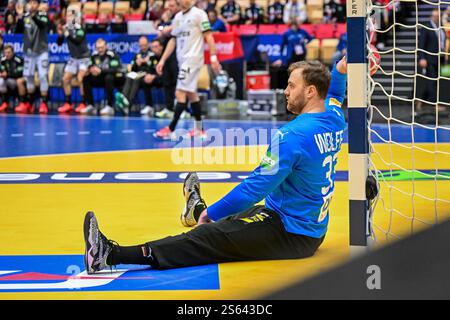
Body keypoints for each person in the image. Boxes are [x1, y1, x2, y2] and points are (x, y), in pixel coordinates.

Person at [82, 57, 348, 273]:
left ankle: (110, 255)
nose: (285, 91)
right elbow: (335, 90)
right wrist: (340, 68)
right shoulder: (334, 116)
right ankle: (195, 210)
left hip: (290, 233)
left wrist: (214, 213)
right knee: (226, 223)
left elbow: (255, 188)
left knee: (207, 237)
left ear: (311, 91)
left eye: (291, 86)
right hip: (303, 224)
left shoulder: (293, 135)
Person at [154, 0, 221, 139]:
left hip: (193, 59)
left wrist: (214, 58)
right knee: (192, 94)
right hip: (182, 60)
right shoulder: (178, 17)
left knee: (180, 93)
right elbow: (173, 40)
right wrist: (162, 60)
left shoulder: (199, 14)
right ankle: (199, 129)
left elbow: (208, 36)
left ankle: (171, 129)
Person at [115, 36, 162, 116]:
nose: (143, 47)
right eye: (141, 45)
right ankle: (124, 99)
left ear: (148, 44)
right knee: (129, 77)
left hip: (148, 75)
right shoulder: (138, 55)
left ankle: (127, 104)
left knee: (137, 79)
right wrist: (136, 64)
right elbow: (131, 68)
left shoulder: (153, 54)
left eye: (144, 45)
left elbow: (156, 68)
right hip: (137, 75)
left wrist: (147, 63)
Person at [16, 0, 49, 114]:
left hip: (41, 52)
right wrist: (20, 17)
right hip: (29, 52)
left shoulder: (43, 15)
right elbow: (18, 31)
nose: (32, 5)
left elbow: (42, 25)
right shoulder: (25, 16)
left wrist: (33, 15)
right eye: (30, 3)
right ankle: (29, 103)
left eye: (35, 3)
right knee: (29, 76)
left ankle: (43, 103)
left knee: (43, 76)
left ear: (38, 5)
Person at [56, 9, 90, 113]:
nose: (69, 18)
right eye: (68, 16)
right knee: (65, 79)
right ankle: (68, 103)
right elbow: (59, 43)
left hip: (84, 57)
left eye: (71, 16)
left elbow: (77, 41)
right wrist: (61, 35)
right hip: (73, 58)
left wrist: (66, 33)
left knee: (81, 78)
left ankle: (83, 103)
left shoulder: (81, 27)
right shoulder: (67, 28)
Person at [81, 38, 125, 116]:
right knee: (86, 78)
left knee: (109, 77)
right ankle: (90, 105)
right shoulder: (94, 55)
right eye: (98, 48)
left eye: (102, 47)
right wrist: (91, 69)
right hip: (100, 78)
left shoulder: (111, 54)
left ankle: (110, 106)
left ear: (105, 46)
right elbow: (90, 65)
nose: (100, 50)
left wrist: (101, 71)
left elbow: (115, 69)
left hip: (114, 78)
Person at [417, 9, 446, 114]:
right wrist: (422, 58)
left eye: (438, 16)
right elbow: (421, 44)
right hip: (429, 59)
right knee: (432, 80)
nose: (436, 18)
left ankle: (421, 101)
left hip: (438, 59)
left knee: (435, 81)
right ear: (431, 16)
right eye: (434, 16)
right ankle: (435, 104)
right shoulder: (427, 27)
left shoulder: (440, 27)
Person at [0, 45, 27, 112]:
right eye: (5, 53)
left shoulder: (19, 60)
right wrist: (2, 74)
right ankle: (4, 103)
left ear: (13, 52)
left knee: (19, 81)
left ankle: (22, 103)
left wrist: (8, 74)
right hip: (8, 80)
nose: (7, 54)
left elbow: (19, 73)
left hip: (18, 80)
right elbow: (2, 70)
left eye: (9, 52)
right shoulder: (2, 60)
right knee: (0, 81)